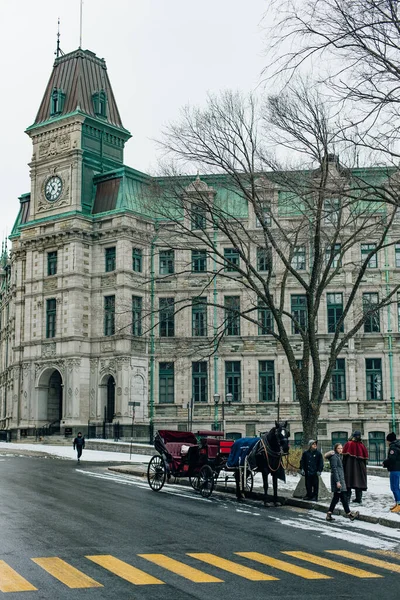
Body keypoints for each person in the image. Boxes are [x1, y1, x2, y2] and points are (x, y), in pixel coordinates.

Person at [325, 443, 359, 522]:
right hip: (338, 480)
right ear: (335, 449)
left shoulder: (339, 456)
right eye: (338, 448)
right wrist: (337, 482)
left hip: (340, 480)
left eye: (341, 448)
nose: (340, 450)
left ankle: (329, 514)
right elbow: (334, 470)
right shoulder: (334, 457)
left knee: (337, 497)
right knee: (343, 496)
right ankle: (349, 514)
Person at [342, 430, 368, 504]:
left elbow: (344, 458)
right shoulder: (362, 445)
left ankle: (347, 499)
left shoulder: (349, 444)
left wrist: (343, 466)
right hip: (360, 467)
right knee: (358, 481)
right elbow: (365, 460)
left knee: (348, 481)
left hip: (350, 466)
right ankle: (358, 498)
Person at [383, 432, 400, 513]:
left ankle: (399, 504)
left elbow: (392, 459)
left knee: (394, 487)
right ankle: (397, 503)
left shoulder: (393, 447)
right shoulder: (397, 445)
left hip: (394, 469)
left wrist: (385, 463)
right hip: (397, 469)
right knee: (396, 487)